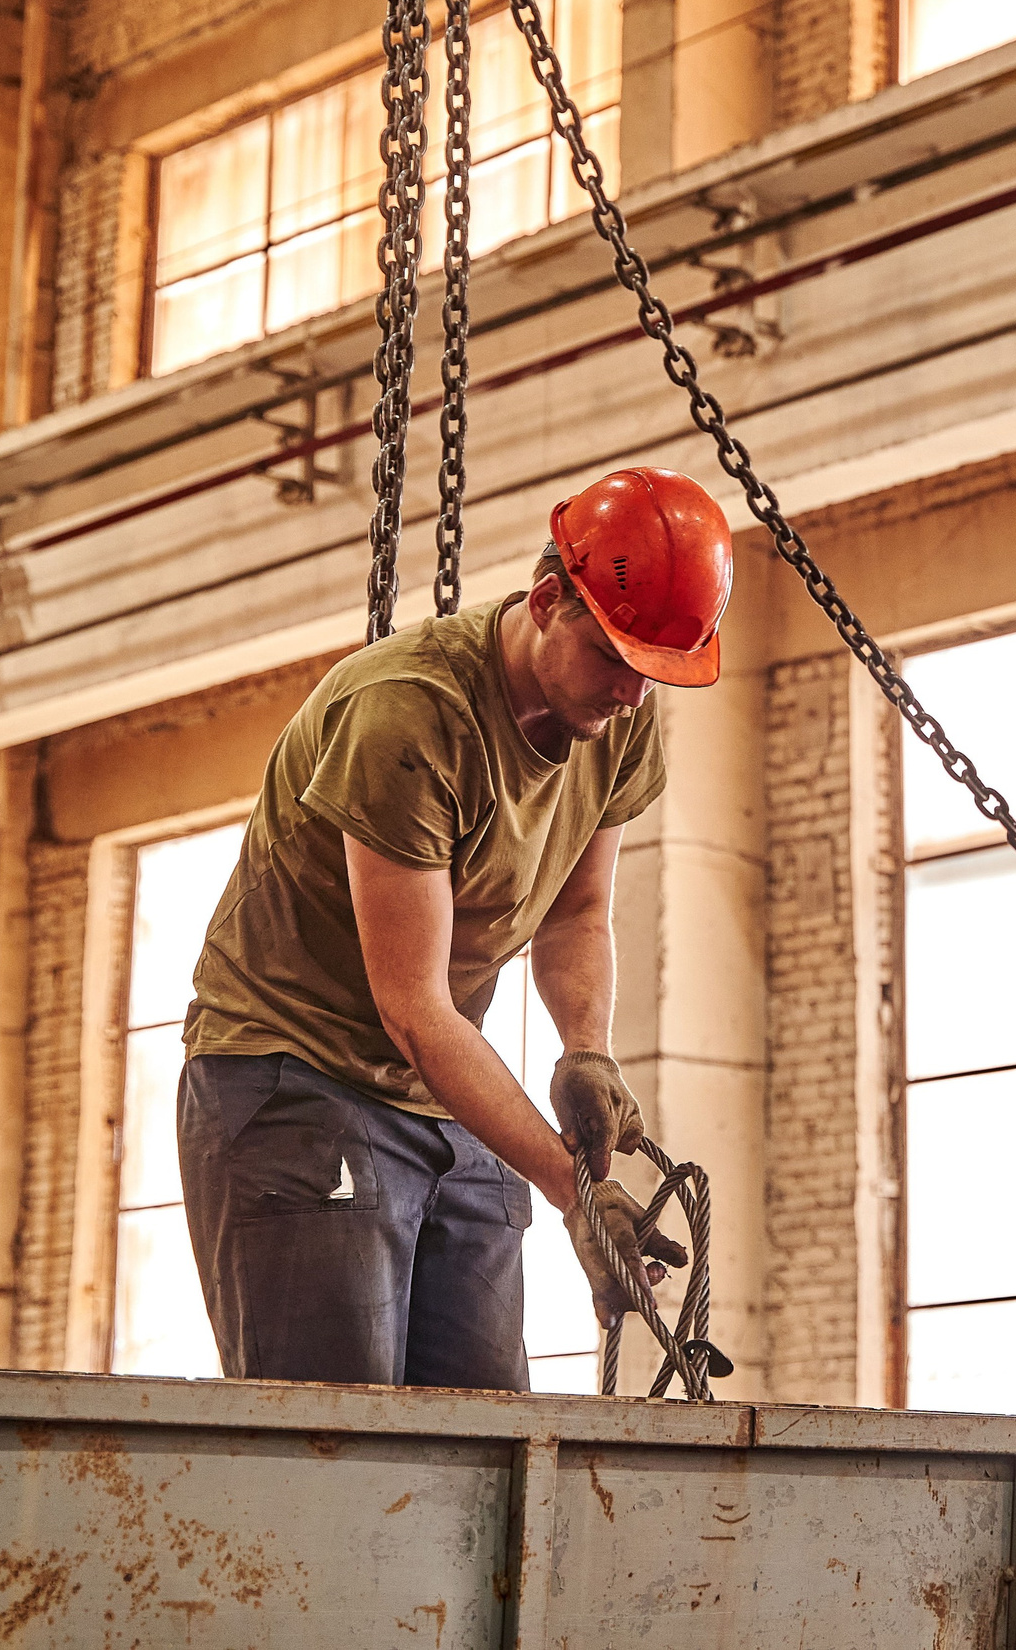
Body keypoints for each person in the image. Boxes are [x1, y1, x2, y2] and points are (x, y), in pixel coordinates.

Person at [176, 466, 733, 1388]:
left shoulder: (618, 717)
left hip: (438, 1086)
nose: (634, 696)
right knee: (341, 1433)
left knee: (485, 1429)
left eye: (653, 673)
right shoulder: (407, 714)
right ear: (550, 600)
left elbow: (577, 912)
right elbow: (414, 1010)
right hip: (293, 1076)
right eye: (615, 660)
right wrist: (577, 1193)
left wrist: (584, 1050)